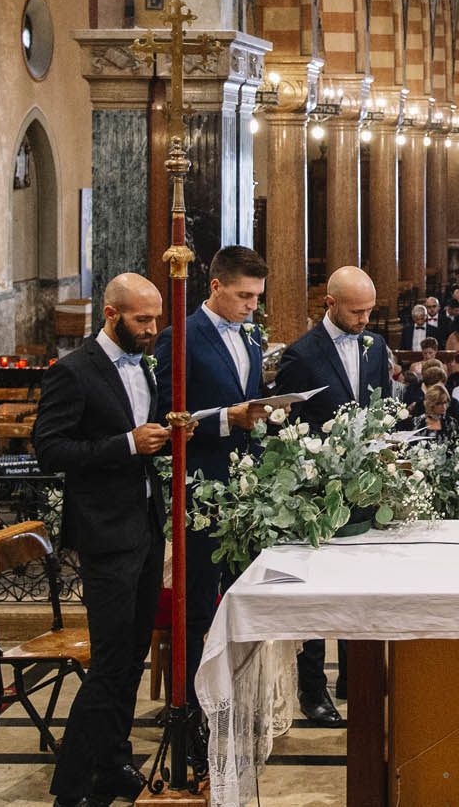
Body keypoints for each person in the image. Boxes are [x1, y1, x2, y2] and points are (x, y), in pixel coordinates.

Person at [32, 272, 169, 807]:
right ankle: (69, 787)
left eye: (155, 318)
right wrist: (127, 445)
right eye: (142, 319)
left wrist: (155, 441)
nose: (152, 328)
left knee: (133, 656)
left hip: (144, 525)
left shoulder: (143, 365)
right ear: (111, 314)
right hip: (106, 534)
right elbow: (52, 451)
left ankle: (113, 762)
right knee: (111, 661)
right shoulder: (74, 371)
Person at [150, 245, 274, 702]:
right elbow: (166, 413)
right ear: (216, 286)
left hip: (247, 488)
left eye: (257, 297)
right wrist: (227, 418)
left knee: (246, 601)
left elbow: (249, 395)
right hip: (202, 491)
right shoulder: (179, 337)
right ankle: (188, 704)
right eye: (244, 296)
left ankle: (238, 699)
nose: (252, 306)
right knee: (199, 605)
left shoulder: (252, 336)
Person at [273, 265, 392, 729]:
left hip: (365, 485)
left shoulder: (376, 346)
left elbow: (380, 406)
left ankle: (354, 675)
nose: (365, 320)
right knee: (318, 588)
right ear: (329, 304)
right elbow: (286, 426)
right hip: (318, 489)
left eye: (369, 311)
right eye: (356, 311)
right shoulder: (301, 355)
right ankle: (312, 689)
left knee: (361, 581)